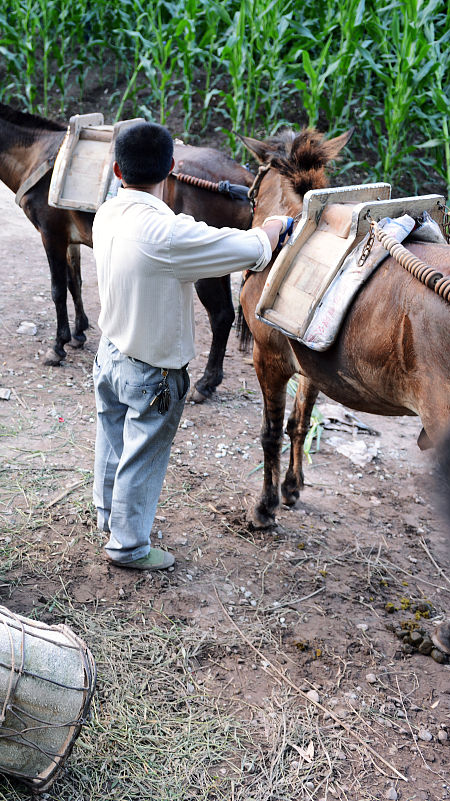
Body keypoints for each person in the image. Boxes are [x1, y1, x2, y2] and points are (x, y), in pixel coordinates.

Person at [91, 122, 293, 570]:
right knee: (142, 456)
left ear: (118, 170)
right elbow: (251, 247)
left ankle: (107, 515)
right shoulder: (170, 235)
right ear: (171, 168)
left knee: (111, 440)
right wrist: (277, 224)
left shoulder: (105, 213)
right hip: (152, 372)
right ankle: (128, 547)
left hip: (109, 355)